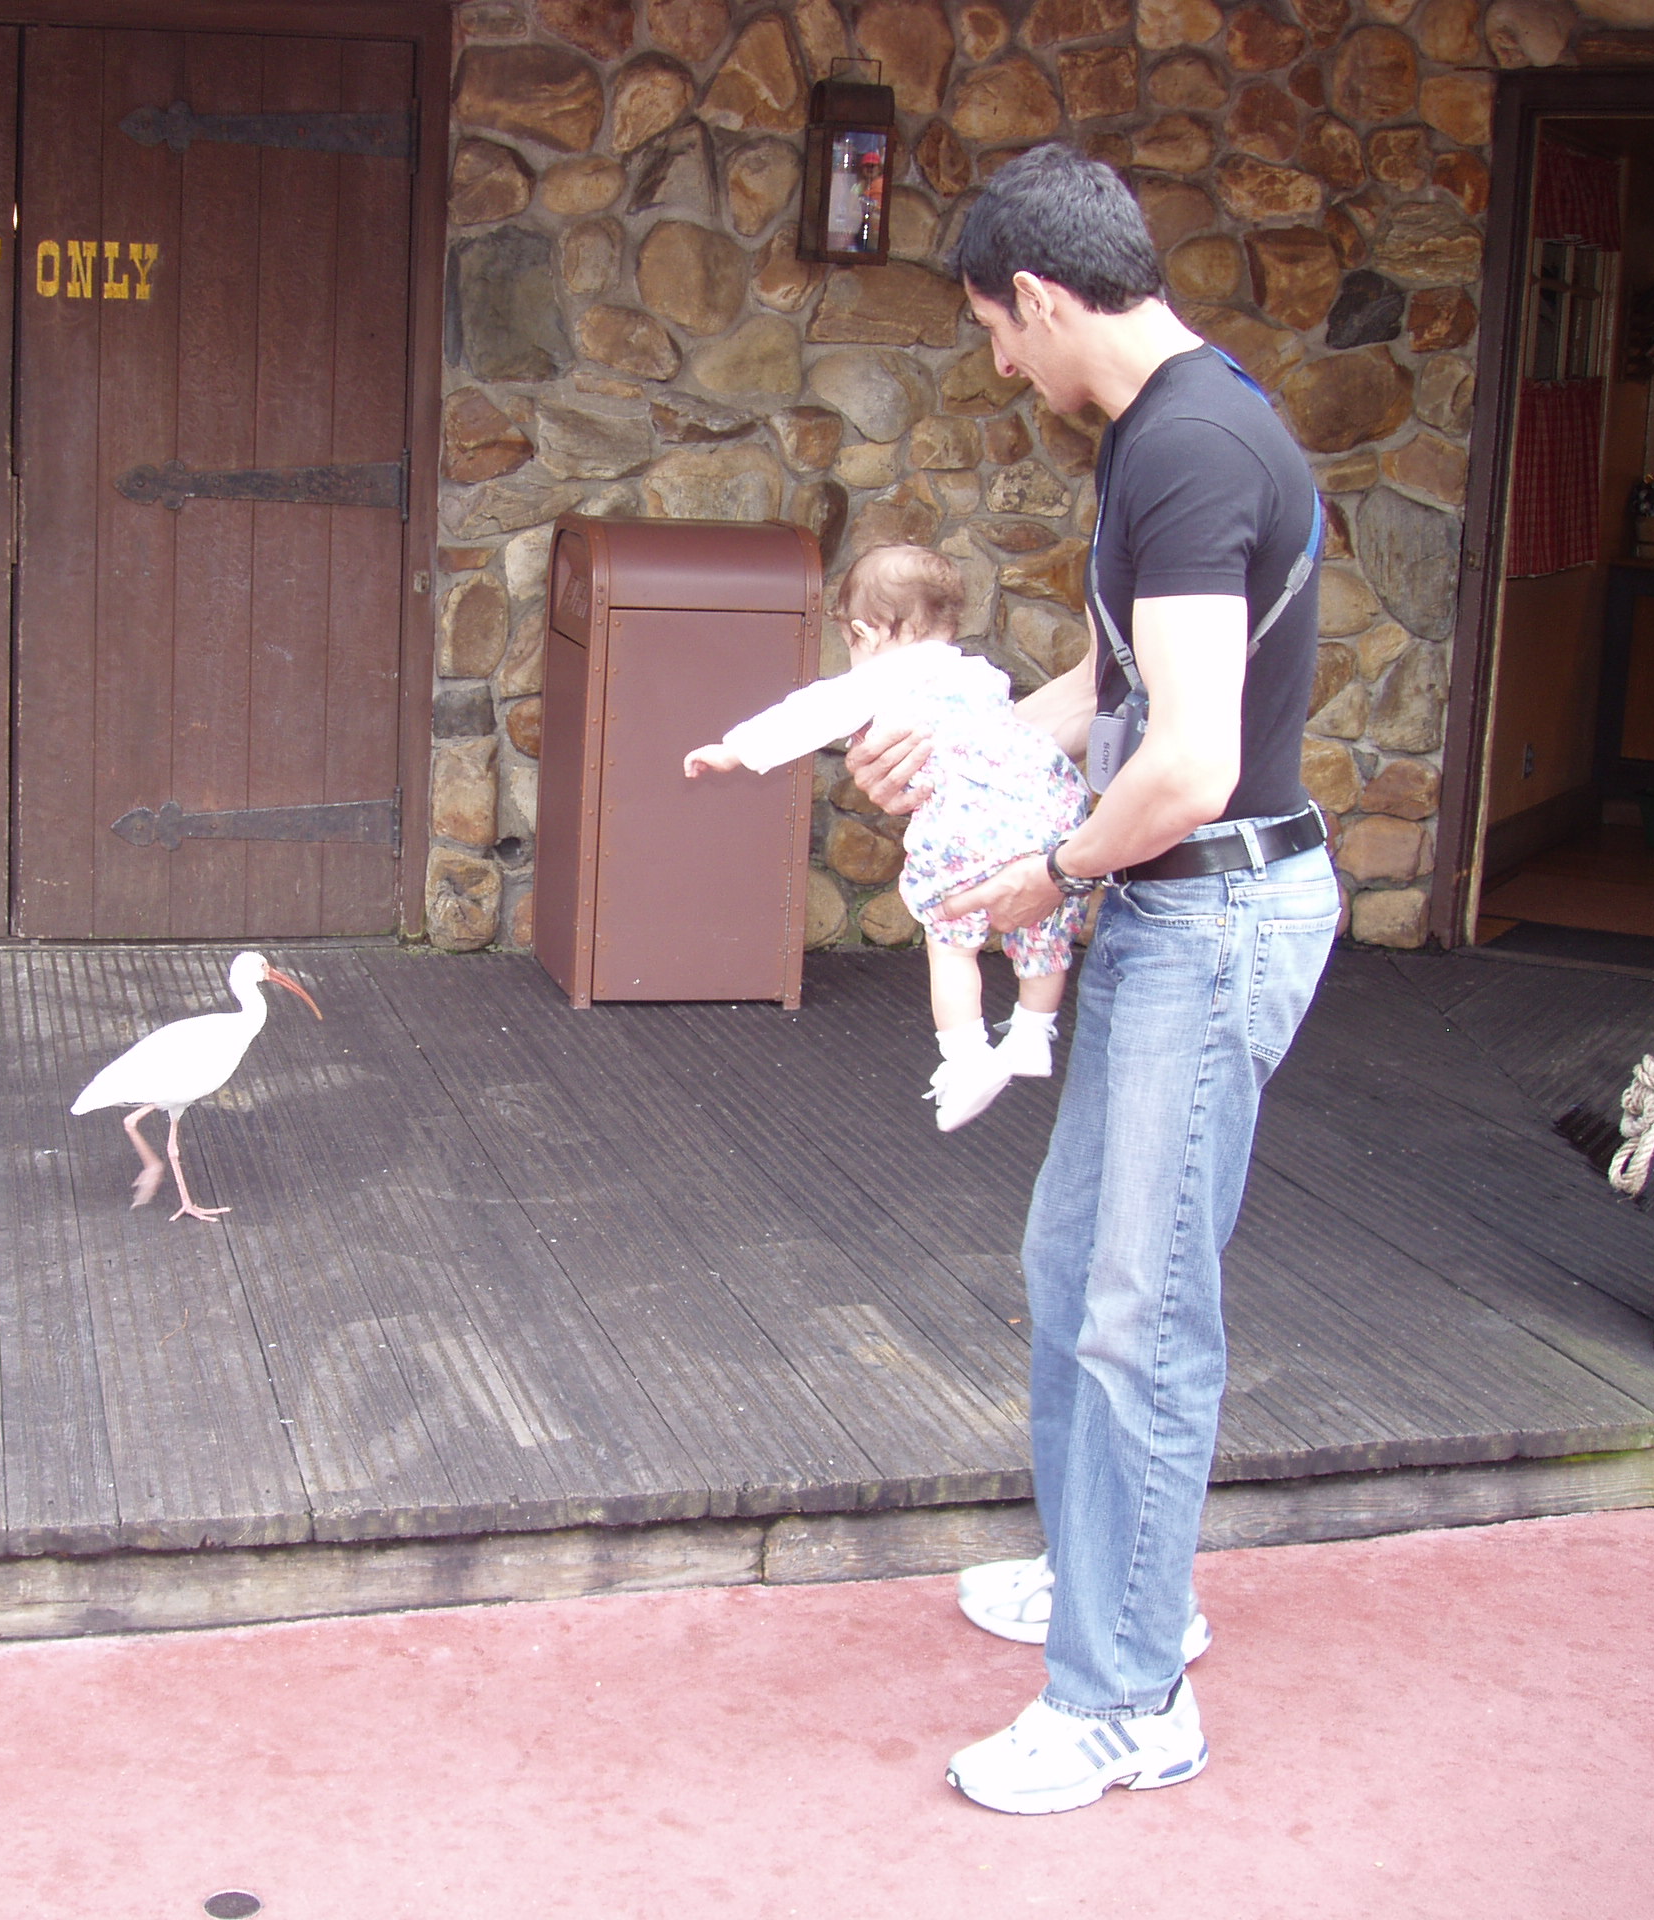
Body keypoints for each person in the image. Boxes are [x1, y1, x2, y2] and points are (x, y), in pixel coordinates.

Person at [844, 145, 1335, 1814]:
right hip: (1178, 908)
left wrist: (1042, 873)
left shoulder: (1188, 450)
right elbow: (1116, 687)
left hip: (1209, 915)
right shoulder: (1176, 426)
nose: (999, 362)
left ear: (1045, 298)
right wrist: (961, 751)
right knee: (1075, 1266)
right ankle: (1112, 1579)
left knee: (1141, 1308)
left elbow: (1186, 764)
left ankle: (1128, 1694)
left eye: (996, 328)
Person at [683, 543, 1087, 1130]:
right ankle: (1032, 1032)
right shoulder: (981, 673)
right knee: (1043, 924)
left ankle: (967, 1057)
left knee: (951, 941)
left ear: (865, 631)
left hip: (969, 825)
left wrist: (734, 750)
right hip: (1049, 806)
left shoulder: (883, 676)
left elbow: (809, 713)